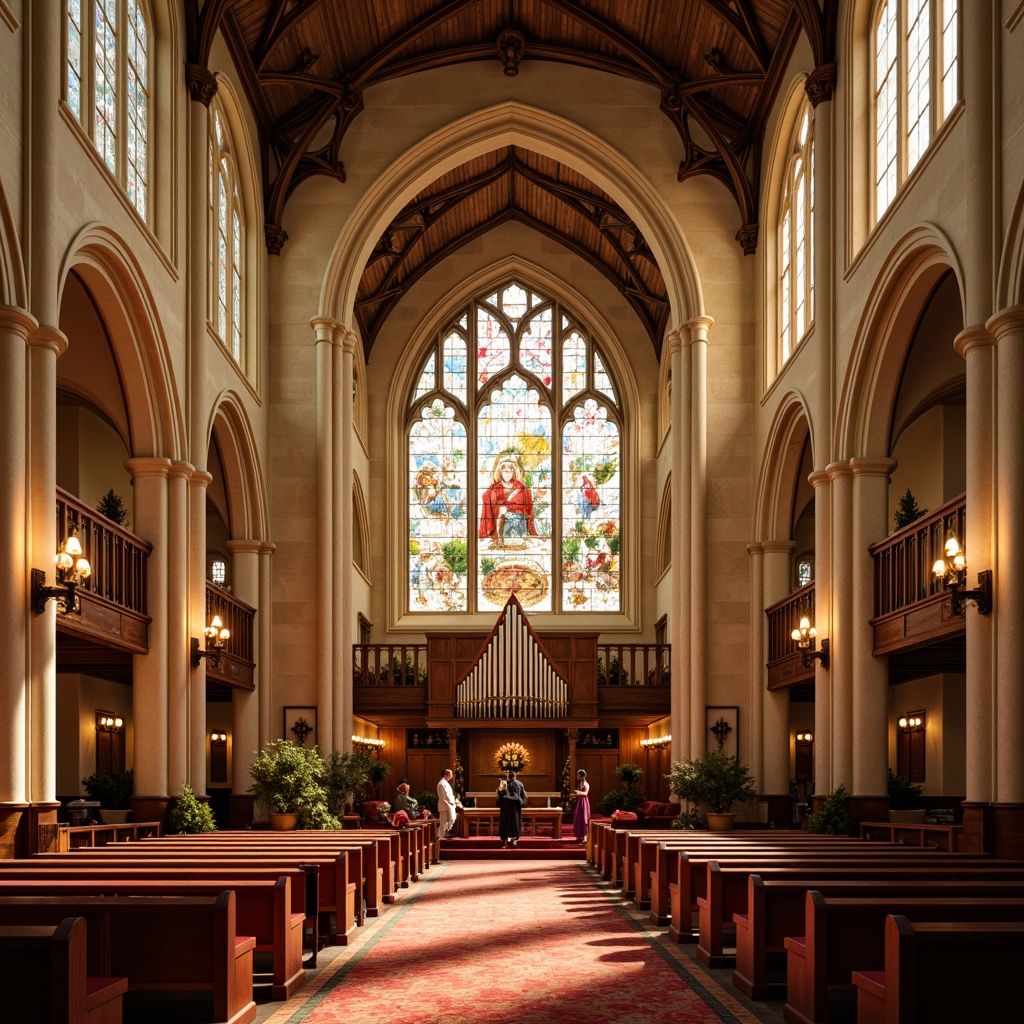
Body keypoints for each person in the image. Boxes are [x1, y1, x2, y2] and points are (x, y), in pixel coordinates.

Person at [479, 455, 538, 547]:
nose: (507, 473)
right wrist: (502, 509)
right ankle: (499, 541)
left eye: (510, 470)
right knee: (502, 512)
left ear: (514, 472)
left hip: (518, 525)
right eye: (504, 470)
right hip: (499, 524)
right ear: (500, 472)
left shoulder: (521, 489)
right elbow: (490, 506)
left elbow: (527, 509)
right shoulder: (494, 489)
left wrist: (510, 508)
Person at [496, 768, 527, 847]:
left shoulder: (504, 783)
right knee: (514, 823)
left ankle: (504, 840)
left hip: (507, 807)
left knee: (506, 823)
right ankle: (514, 839)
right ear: (515, 776)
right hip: (514, 806)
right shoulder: (518, 783)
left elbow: (499, 795)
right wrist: (521, 802)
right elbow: (524, 797)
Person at [436, 767, 460, 838]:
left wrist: (454, 802)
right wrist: (449, 805)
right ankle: (441, 837)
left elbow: (449, 795)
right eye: (451, 774)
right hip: (444, 806)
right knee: (443, 822)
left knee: (452, 819)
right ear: (446, 774)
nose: (452, 776)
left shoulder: (446, 783)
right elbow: (443, 797)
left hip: (450, 804)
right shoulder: (441, 784)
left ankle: (445, 833)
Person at [572, 768, 590, 842]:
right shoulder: (581, 783)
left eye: (578, 776)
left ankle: (585, 836)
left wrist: (578, 792)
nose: (577, 777)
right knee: (578, 818)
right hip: (580, 801)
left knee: (584, 818)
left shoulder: (586, 784)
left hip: (584, 802)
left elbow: (585, 793)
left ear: (582, 776)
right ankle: (579, 835)